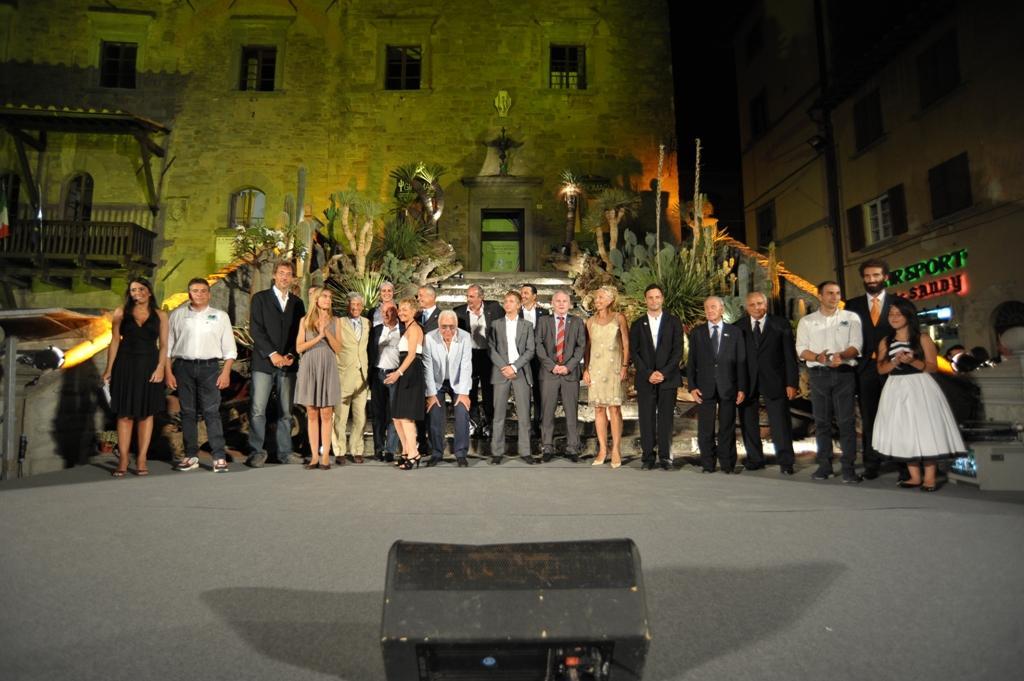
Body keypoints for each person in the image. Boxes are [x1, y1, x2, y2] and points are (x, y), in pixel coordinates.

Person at [873, 297, 966, 491]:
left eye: (898, 314)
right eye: (891, 314)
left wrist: (912, 361)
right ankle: (914, 476)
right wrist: (895, 362)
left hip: (920, 385)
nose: (894, 317)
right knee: (904, 429)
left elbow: (932, 367)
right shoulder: (885, 341)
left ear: (908, 316)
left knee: (926, 429)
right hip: (895, 387)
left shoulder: (922, 338)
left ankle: (930, 478)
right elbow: (881, 369)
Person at [165, 278, 238, 473]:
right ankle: (191, 456)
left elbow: (230, 348)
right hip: (183, 367)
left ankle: (219, 457)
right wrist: (168, 372)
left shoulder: (220, 316)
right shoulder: (178, 315)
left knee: (211, 412)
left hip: (210, 368)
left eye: (203, 290)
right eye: (195, 291)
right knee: (188, 412)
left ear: (209, 294)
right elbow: (168, 347)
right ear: (189, 294)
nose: (199, 294)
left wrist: (226, 372)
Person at [795, 281, 863, 482]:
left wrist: (842, 355)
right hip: (819, 375)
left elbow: (856, 345)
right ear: (820, 296)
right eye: (830, 293)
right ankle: (824, 466)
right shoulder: (807, 321)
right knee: (822, 422)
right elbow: (801, 349)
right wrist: (818, 357)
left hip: (844, 374)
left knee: (846, 422)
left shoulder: (851, 318)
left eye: (837, 293)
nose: (834, 297)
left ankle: (849, 468)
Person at [102, 277, 169, 477]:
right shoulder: (121, 312)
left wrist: (161, 367)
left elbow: (164, 345)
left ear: (149, 291)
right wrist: (109, 369)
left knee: (146, 414)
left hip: (149, 365)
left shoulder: (161, 315)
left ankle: (141, 458)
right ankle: (123, 458)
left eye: (140, 289)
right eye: (133, 290)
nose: (136, 293)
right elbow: (115, 341)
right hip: (125, 364)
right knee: (124, 414)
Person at [247, 260, 305, 467]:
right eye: (281, 273)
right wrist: (272, 354)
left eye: (288, 274)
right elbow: (256, 329)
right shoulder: (260, 299)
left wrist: (290, 354)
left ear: (293, 278)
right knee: (258, 410)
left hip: (288, 364)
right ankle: (256, 452)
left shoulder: (297, 303)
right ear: (274, 275)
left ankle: (285, 452)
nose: (284, 277)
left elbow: (299, 332)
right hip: (264, 363)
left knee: (286, 411)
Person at [844, 259, 896, 480]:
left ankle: (903, 464)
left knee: (898, 416)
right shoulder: (852, 306)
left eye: (876, 275)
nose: (871, 280)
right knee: (869, 418)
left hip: (895, 368)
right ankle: (871, 463)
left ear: (885, 277)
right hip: (865, 370)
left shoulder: (899, 303)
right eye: (867, 276)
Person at [737, 291, 800, 475]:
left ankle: (786, 461)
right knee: (748, 422)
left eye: (760, 303)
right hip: (747, 383)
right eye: (752, 304)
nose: (757, 307)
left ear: (766, 304)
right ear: (747, 307)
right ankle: (755, 459)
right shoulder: (738, 327)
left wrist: (791, 383)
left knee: (780, 422)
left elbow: (789, 356)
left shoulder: (781, 324)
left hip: (775, 380)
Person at [687, 296, 747, 474]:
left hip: (728, 386)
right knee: (705, 428)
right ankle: (708, 464)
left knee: (727, 427)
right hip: (704, 387)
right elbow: (692, 362)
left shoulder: (734, 332)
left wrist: (742, 388)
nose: (709, 310)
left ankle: (727, 464)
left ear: (722, 309)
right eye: (707, 307)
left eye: (713, 307)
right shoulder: (697, 333)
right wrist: (692, 386)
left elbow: (741, 362)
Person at [629, 284, 683, 471]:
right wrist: (648, 373)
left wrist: (663, 373)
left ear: (662, 299)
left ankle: (666, 457)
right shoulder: (637, 324)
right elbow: (634, 353)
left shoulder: (674, 322)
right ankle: (648, 457)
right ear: (646, 300)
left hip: (668, 379)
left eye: (657, 297)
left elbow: (678, 351)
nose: (654, 300)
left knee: (666, 419)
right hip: (646, 379)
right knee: (646, 419)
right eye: (650, 297)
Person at [535, 289, 587, 463]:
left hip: (569, 374)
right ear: (552, 303)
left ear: (570, 304)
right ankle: (547, 447)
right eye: (558, 301)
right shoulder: (543, 321)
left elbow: (581, 347)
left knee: (571, 412)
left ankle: (572, 448)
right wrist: (552, 366)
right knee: (547, 412)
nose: (561, 304)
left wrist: (568, 366)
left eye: (565, 301)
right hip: (549, 374)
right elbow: (538, 345)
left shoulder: (577, 322)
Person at [294, 287, 341, 469]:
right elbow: (299, 347)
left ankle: (326, 456)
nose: (328, 299)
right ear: (316, 299)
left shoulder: (336, 321)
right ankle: (314, 456)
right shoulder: (305, 321)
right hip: (310, 365)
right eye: (324, 296)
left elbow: (338, 348)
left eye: (330, 297)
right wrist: (318, 336)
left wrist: (326, 332)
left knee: (327, 413)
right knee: (312, 412)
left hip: (328, 365)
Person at [488, 290, 537, 465]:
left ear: (518, 305)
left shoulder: (527, 325)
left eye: (511, 301)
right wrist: (504, 367)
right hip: (501, 371)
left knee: (524, 414)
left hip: (520, 371)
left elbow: (530, 350)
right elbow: (491, 348)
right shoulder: (495, 324)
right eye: (505, 301)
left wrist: (514, 367)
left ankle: (525, 451)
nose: (507, 304)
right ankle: (497, 452)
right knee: (498, 414)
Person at [583, 286, 629, 468]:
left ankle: (616, 449)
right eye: (596, 298)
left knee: (615, 409)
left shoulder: (619, 318)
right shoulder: (590, 322)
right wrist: (585, 369)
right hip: (595, 369)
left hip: (614, 369)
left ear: (610, 300)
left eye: (601, 297)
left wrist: (625, 366)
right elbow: (587, 348)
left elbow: (626, 343)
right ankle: (603, 449)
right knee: (599, 409)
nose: (597, 300)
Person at [423, 310, 474, 467]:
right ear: (438, 326)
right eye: (444, 327)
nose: (448, 330)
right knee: (435, 413)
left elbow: (466, 365)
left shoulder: (465, 337)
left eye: (452, 327)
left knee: (462, 411)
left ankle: (461, 453)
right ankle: (437, 452)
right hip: (437, 382)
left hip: (458, 382)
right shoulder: (429, 338)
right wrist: (431, 394)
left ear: (456, 326)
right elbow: (427, 367)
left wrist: (464, 393)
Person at [454, 284, 504, 438]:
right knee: (471, 391)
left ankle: (489, 423)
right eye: (467, 296)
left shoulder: (494, 308)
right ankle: (474, 423)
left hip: (489, 356)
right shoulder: (459, 312)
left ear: (481, 297)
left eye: (472, 296)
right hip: (469, 357)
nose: (469, 299)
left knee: (489, 392)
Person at [384, 298, 425, 470]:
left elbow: (412, 355)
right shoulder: (407, 328)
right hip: (405, 372)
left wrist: (398, 373)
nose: (401, 312)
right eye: (400, 309)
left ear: (414, 311)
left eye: (405, 309)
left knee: (406, 417)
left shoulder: (415, 328)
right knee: (397, 416)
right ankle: (407, 451)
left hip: (411, 373)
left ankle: (414, 454)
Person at [332, 292, 371, 464]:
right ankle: (339, 450)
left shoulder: (367, 323)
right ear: (347, 306)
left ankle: (357, 449)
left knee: (360, 416)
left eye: (358, 305)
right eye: (352, 305)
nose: (355, 308)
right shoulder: (339, 322)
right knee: (340, 416)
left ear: (362, 307)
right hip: (344, 374)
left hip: (362, 375)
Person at [368, 301, 403, 461]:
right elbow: (370, 351)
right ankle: (378, 448)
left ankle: (390, 450)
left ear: (396, 312)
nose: (386, 314)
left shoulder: (403, 329)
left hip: (395, 374)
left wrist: (399, 372)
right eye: (383, 312)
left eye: (390, 311)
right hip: (378, 374)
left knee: (394, 414)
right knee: (378, 414)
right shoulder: (376, 330)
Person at [520, 283, 549, 438]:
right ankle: (524, 425)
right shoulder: (516, 312)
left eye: (526, 293)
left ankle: (537, 424)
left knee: (539, 392)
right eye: (522, 293)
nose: (523, 295)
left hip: (538, 358)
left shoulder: (543, 312)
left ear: (534, 296)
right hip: (521, 357)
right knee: (523, 393)